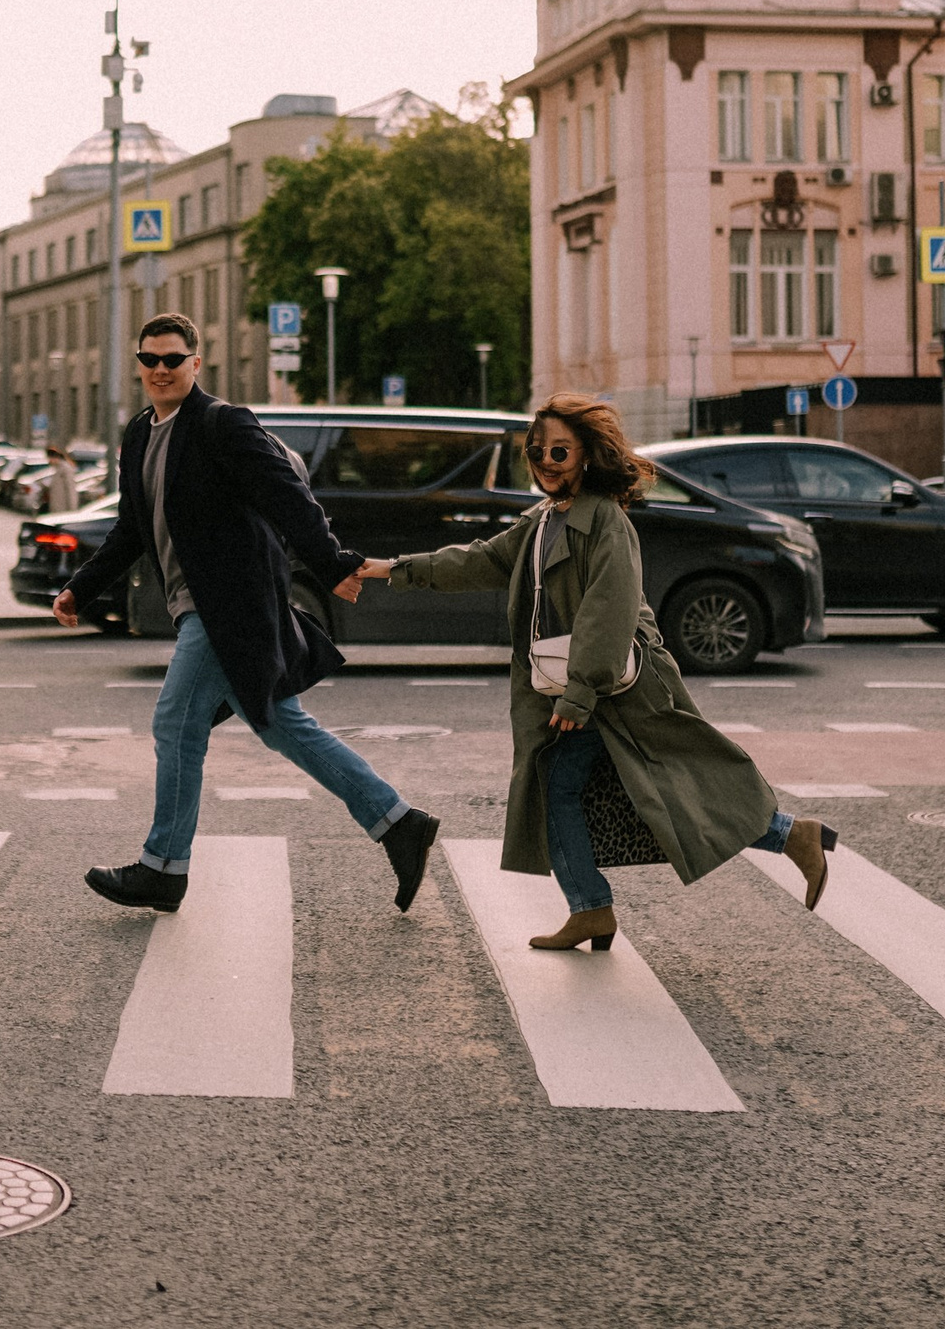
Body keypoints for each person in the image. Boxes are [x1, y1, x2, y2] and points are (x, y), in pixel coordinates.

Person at [356, 392, 833, 951]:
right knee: (629, 789)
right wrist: (390, 569)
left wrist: (578, 695)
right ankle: (602, 905)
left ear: (587, 454)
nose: (545, 462)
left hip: (619, 689)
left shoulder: (606, 521)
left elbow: (610, 610)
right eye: (536, 452)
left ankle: (605, 903)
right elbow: (481, 559)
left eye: (559, 451)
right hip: (582, 685)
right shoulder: (543, 520)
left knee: (647, 786)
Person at [57, 313, 439, 914]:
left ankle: (163, 868)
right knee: (279, 724)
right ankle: (398, 821)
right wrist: (81, 588)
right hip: (196, 607)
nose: (161, 370)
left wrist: (334, 563)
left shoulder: (221, 424)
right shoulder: (138, 434)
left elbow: (287, 498)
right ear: (139, 365)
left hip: (230, 606)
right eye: (150, 360)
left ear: (195, 363)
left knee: (175, 726)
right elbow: (131, 527)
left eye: (173, 359)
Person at [43, 443, 78, 512]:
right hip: (56, 508)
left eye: (50, 458)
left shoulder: (65, 469)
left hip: (63, 510)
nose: (49, 461)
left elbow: (71, 490)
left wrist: (72, 510)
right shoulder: (58, 469)